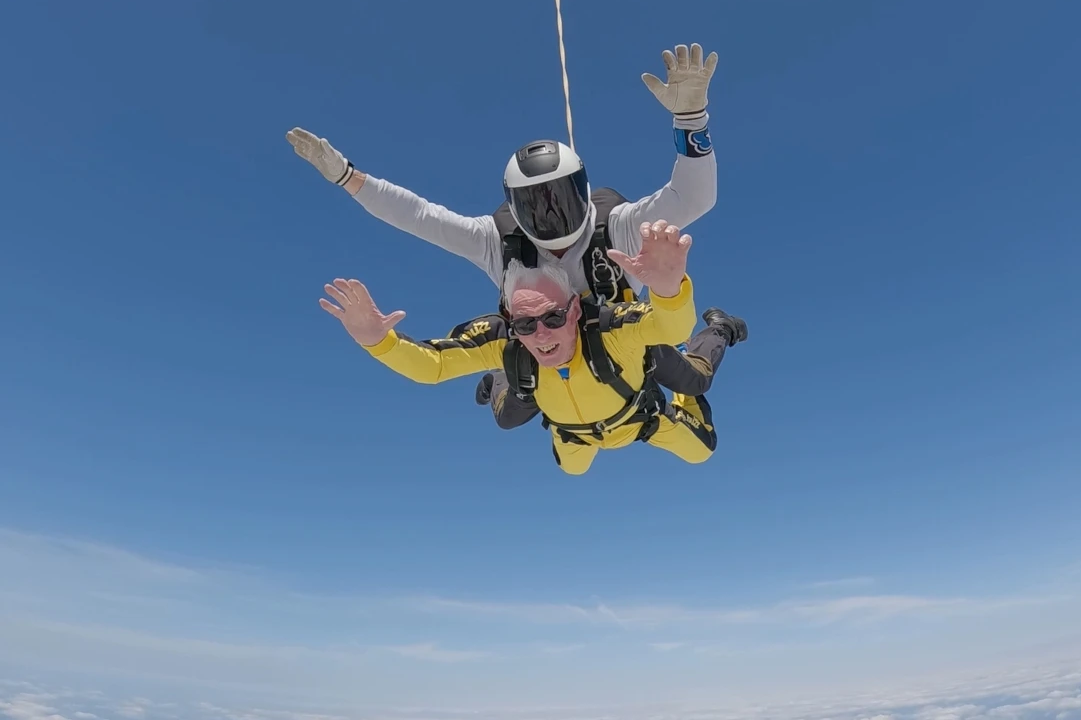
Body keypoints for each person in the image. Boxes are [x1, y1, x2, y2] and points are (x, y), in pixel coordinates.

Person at [283, 44, 722, 295]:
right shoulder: (498, 241)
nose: (550, 214)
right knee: (522, 415)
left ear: (584, 192)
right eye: (536, 205)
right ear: (513, 207)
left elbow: (694, 197)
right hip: (550, 378)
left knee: (681, 383)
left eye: (559, 199)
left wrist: (691, 119)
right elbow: (418, 216)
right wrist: (348, 177)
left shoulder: (618, 227)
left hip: (621, 361)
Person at [321, 221, 748, 476]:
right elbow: (431, 366)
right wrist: (377, 341)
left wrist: (669, 290)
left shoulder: (609, 328)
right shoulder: (507, 340)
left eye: (553, 318)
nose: (542, 334)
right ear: (511, 322)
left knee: (700, 430)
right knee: (563, 461)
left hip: (640, 419)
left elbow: (669, 326)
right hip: (573, 432)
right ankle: (498, 380)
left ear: (575, 310)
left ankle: (720, 329)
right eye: (525, 324)